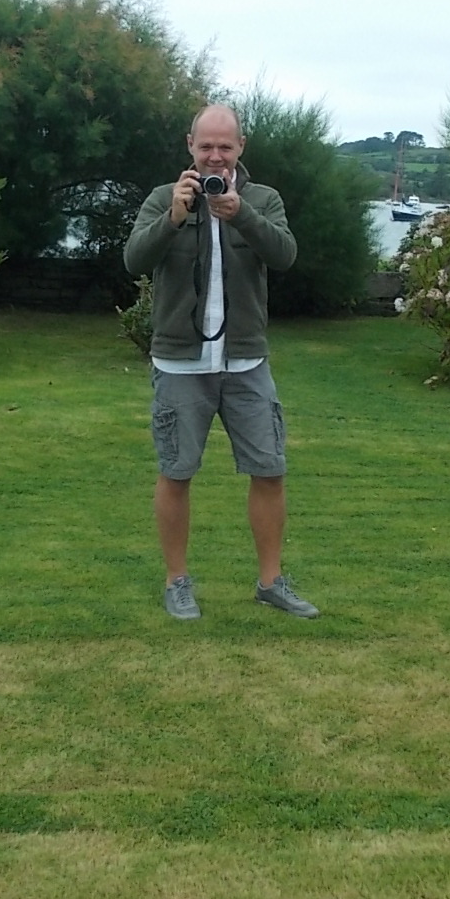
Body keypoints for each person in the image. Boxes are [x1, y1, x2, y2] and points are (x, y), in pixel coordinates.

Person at [123, 104, 318, 621]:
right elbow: (134, 261)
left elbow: (285, 255)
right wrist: (173, 218)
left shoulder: (263, 199)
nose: (215, 156)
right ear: (190, 144)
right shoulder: (164, 198)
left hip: (246, 362)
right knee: (176, 472)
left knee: (270, 470)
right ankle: (177, 581)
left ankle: (271, 582)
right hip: (180, 364)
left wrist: (242, 214)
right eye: (206, 146)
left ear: (240, 147)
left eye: (224, 147)